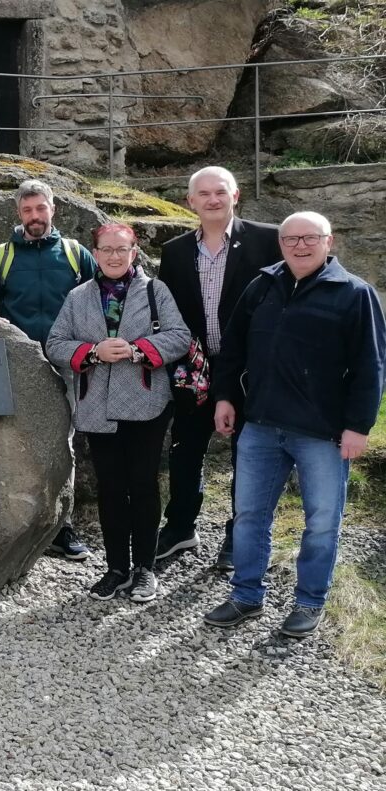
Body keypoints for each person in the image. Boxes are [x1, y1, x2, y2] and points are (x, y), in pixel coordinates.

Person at [204, 212, 386, 637]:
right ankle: (246, 595)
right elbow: (233, 346)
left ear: (329, 241)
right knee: (249, 515)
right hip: (262, 425)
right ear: (280, 244)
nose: (300, 246)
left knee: (321, 521)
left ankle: (309, 602)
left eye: (310, 238)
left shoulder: (355, 294)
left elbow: (371, 366)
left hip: (322, 432)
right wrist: (226, 397)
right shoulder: (263, 285)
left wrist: (359, 427)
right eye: (290, 239)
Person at [47, 223, 190, 602]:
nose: (114, 256)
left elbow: (179, 336)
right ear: (95, 253)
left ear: (134, 251)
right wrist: (93, 353)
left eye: (121, 249)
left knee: (142, 485)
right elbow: (56, 343)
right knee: (112, 489)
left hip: (147, 404)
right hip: (97, 407)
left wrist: (135, 349)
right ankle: (115, 568)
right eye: (106, 249)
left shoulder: (156, 291)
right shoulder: (79, 297)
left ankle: (144, 568)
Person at [155, 166, 281, 570]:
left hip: (250, 371)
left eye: (220, 192)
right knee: (186, 449)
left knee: (249, 454)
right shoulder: (175, 252)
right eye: (203, 194)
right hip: (196, 370)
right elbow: (168, 313)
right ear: (190, 201)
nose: (213, 200)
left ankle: (238, 534)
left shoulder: (268, 240)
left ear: (235, 195)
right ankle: (180, 528)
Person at [0, 179, 99, 561]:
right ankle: (11, 529)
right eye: (27, 211)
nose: (35, 217)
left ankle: (62, 528)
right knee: (11, 443)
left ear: (52, 209)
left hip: (68, 365)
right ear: (18, 214)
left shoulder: (76, 255)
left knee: (64, 444)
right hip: (18, 366)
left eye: (41, 209)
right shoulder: (1, 258)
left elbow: (100, 301)